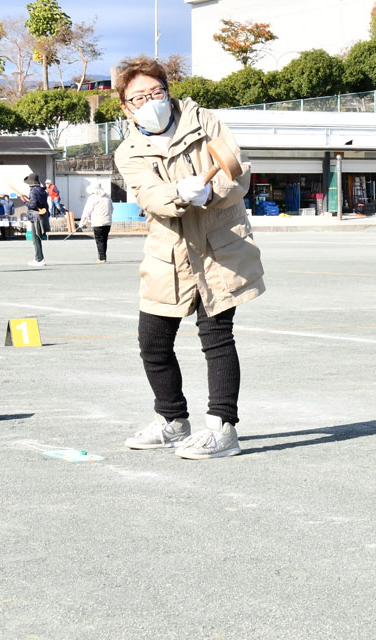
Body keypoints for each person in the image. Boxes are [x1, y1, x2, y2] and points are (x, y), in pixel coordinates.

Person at [114, 56, 264, 459]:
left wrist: (212, 193)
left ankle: (222, 428)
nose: (150, 101)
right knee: (153, 341)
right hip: (169, 253)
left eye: (156, 92)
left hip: (221, 246)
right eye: (138, 97)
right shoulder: (128, 150)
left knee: (216, 338)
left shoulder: (205, 122)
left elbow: (237, 170)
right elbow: (148, 194)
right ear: (125, 106)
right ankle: (173, 421)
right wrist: (178, 194)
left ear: (168, 91)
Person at [79, 182, 112, 263]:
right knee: (104, 239)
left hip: (97, 222)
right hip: (108, 221)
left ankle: (101, 258)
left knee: (99, 240)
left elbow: (87, 211)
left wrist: (82, 221)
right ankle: (103, 256)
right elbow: (112, 209)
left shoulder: (92, 198)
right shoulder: (107, 196)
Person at [23, 173, 48, 267]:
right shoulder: (42, 190)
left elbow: (33, 205)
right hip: (42, 215)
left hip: (35, 216)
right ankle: (38, 257)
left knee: (35, 238)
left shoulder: (33, 191)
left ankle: (39, 259)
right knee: (37, 237)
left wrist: (25, 201)